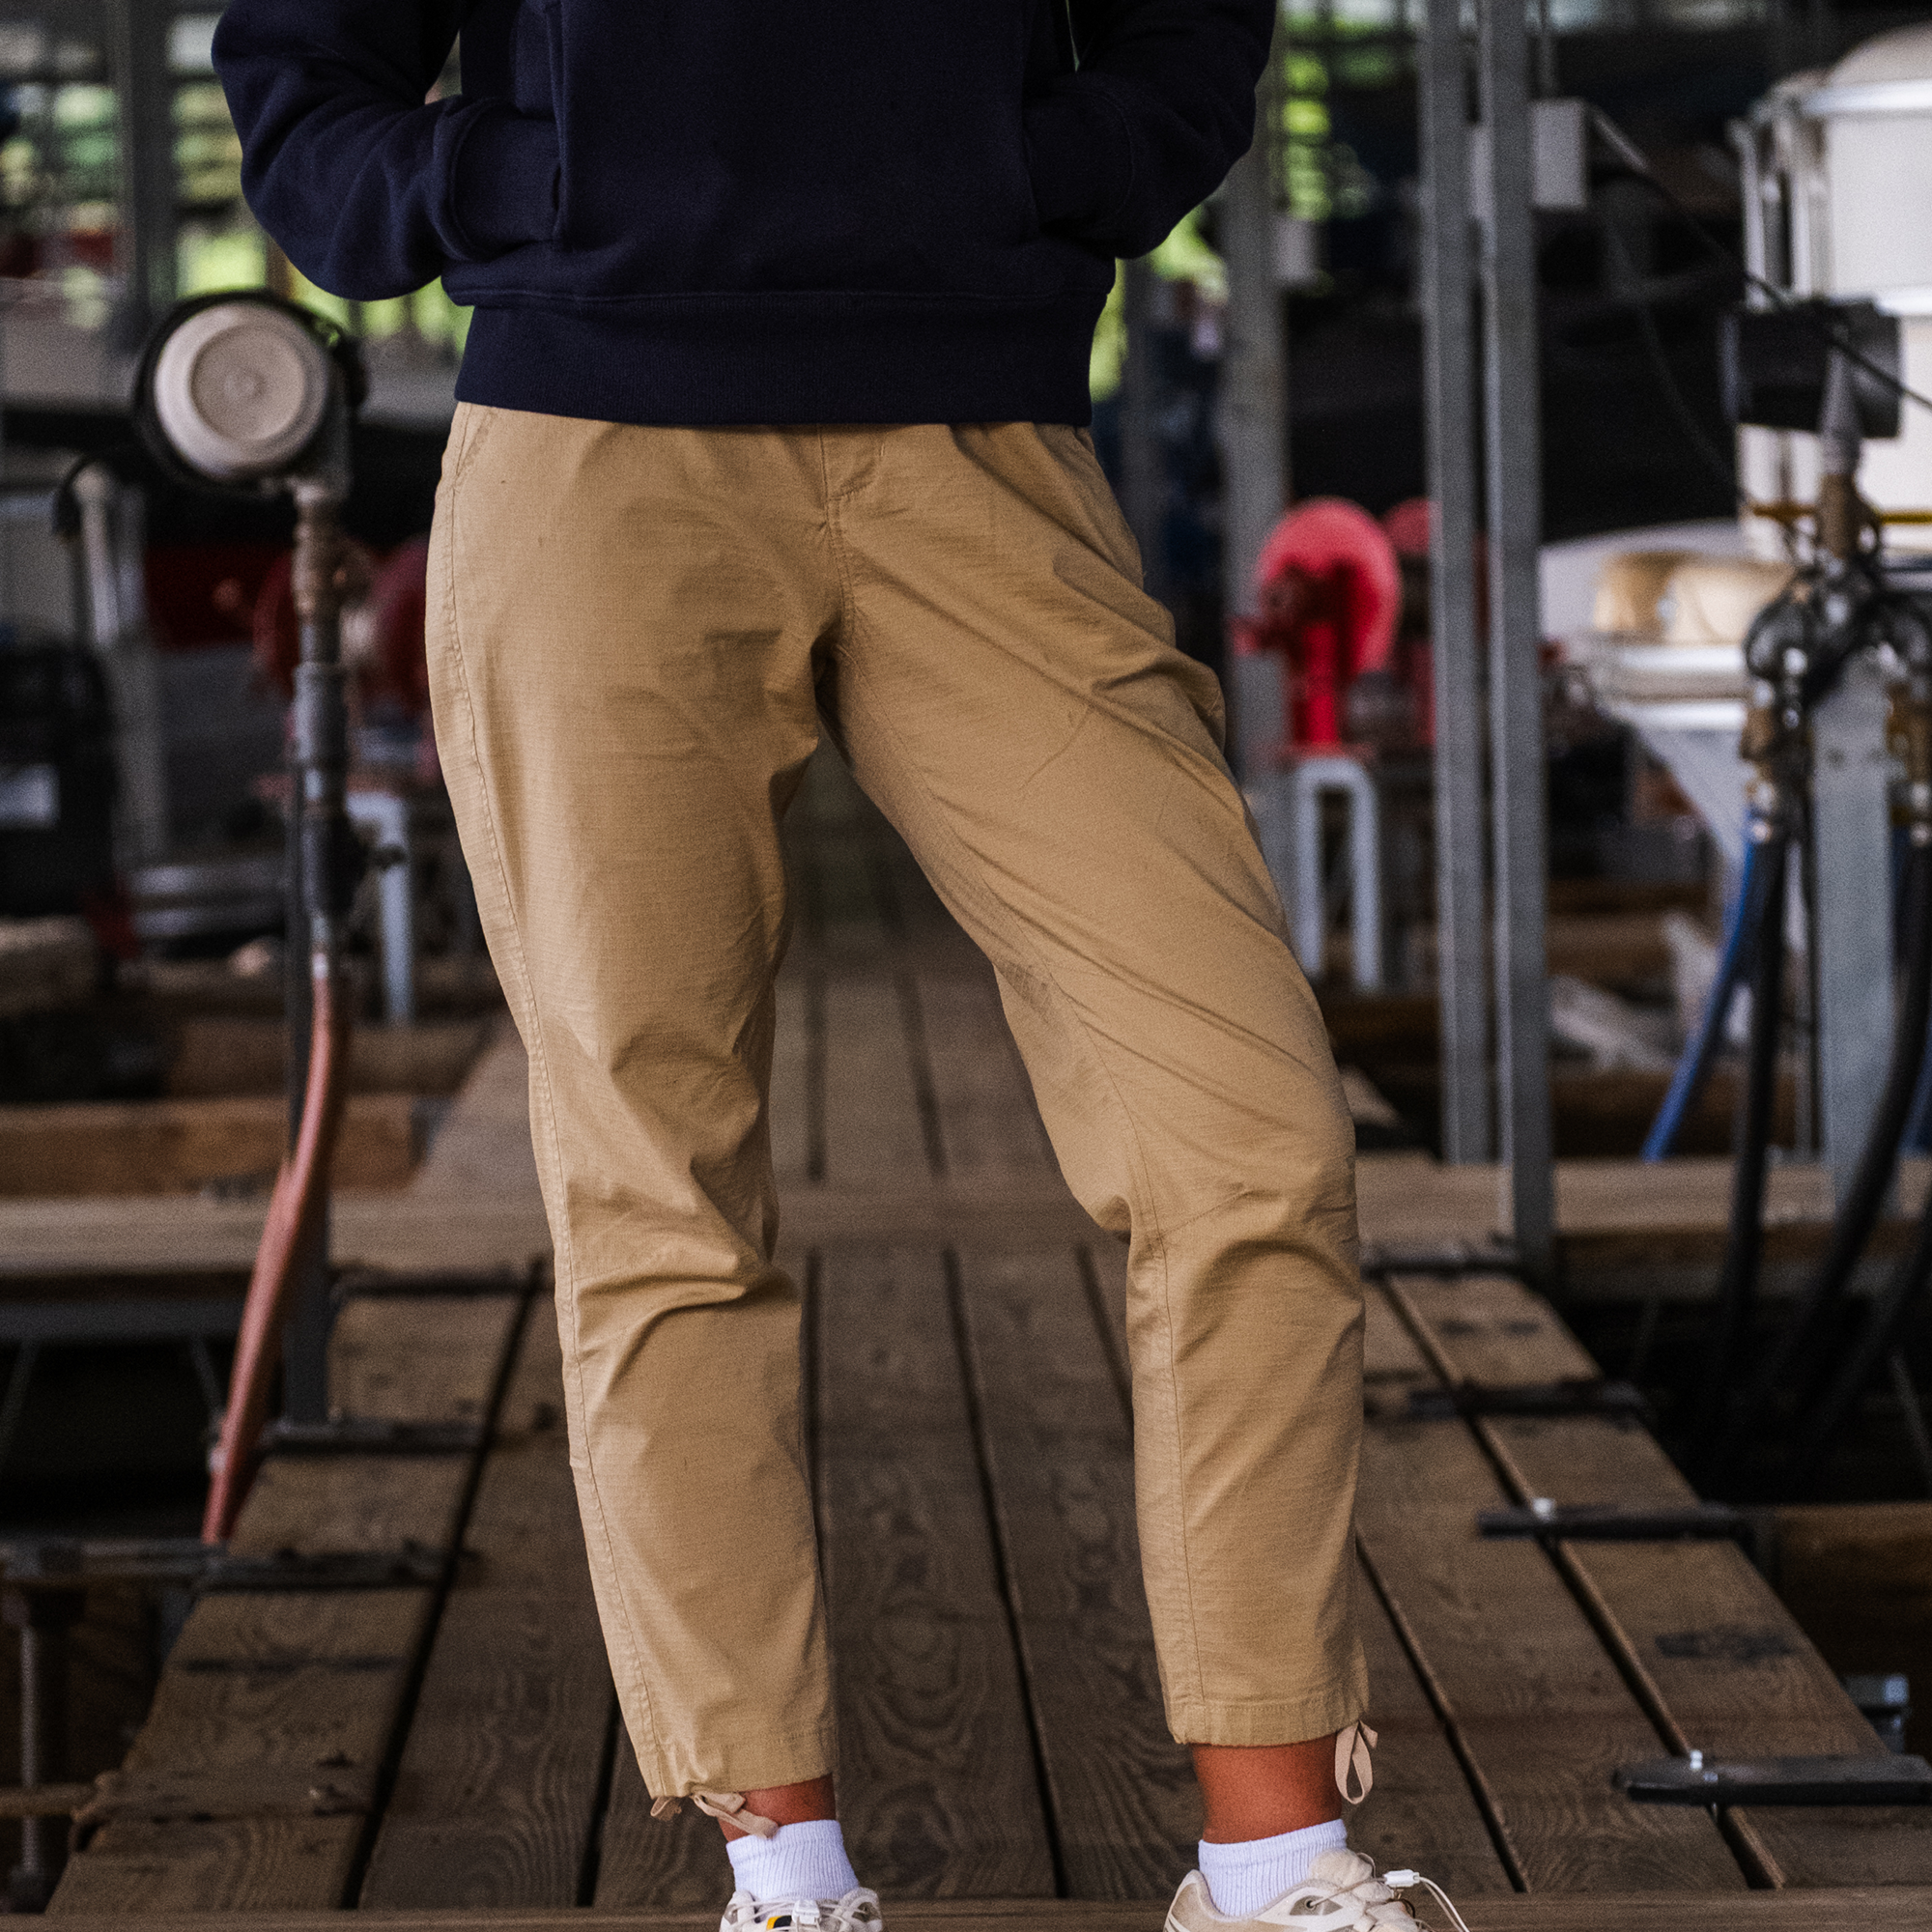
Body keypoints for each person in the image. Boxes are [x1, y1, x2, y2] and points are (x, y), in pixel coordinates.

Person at [213, 3, 1449, 1926]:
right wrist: (518, 189)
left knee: (1247, 1132)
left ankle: (1276, 1860)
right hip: (591, 441)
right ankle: (784, 1872)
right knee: (657, 1173)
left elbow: (1192, 20)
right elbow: (304, 53)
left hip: (976, 440)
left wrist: (1033, 177)